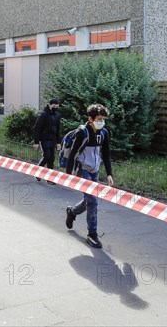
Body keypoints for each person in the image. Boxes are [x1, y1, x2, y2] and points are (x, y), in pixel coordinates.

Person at [65, 104, 114, 248]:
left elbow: (106, 154)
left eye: (103, 119)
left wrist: (109, 174)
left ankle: (72, 211)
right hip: (83, 169)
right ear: (90, 119)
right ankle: (92, 234)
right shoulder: (83, 133)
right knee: (92, 201)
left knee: (89, 200)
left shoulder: (104, 133)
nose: (102, 122)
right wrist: (68, 175)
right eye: (99, 119)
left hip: (95, 170)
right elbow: (73, 154)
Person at [32, 98, 62, 185]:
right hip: (44, 139)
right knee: (47, 156)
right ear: (49, 105)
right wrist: (36, 142)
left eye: (57, 106)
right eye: (54, 106)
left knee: (51, 159)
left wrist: (58, 142)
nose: (55, 107)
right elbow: (37, 128)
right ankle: (38, 171)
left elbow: (58, 129)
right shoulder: (43, 115)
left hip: (53, 139)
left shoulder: (57, 116)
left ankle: (50, 178)